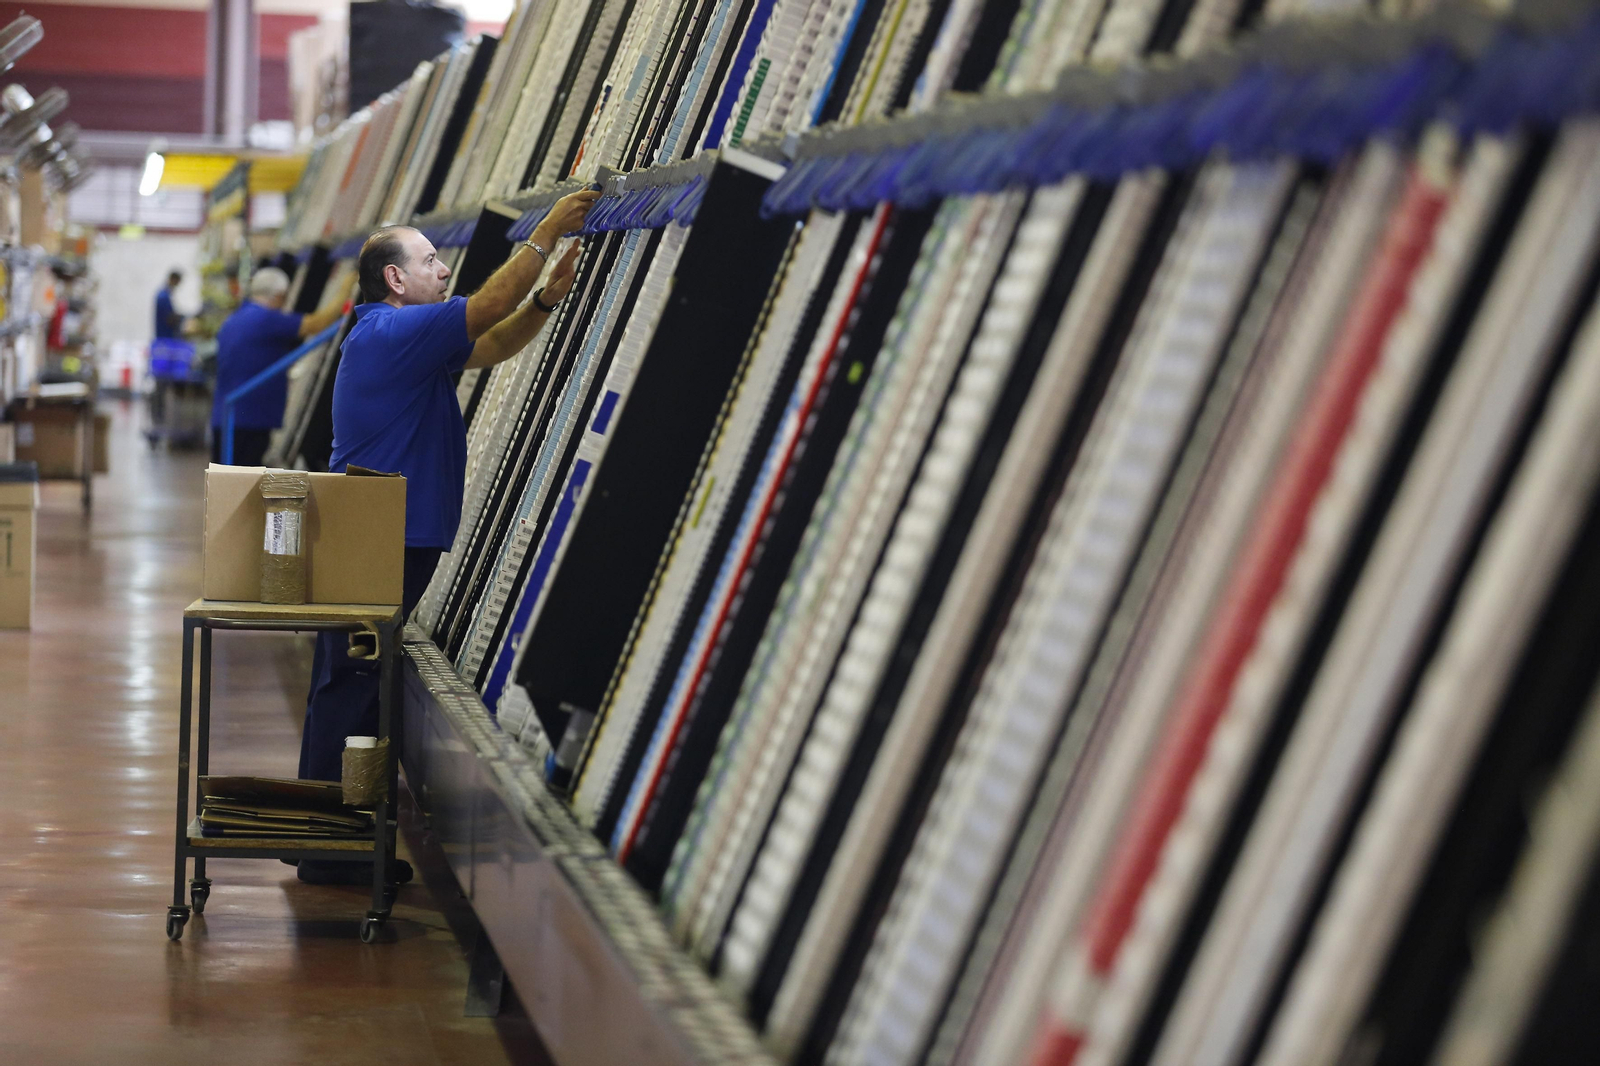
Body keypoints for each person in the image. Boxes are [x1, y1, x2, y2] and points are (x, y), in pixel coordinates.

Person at [294, 187, 600, 885]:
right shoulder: (389, 332)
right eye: (431, 261)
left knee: (356, 684)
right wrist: (547, 229)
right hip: (378, 535)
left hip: (389, 533)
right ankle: (328, 846)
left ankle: (331, 840)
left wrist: (546, 303)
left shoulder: (406, 345)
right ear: (395, 280)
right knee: (353, 687)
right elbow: (487, 307)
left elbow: (490, 343)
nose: (444, 271)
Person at [210, 267, 353, 466]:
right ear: (278, 295)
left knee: (226, 483)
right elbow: (317, 323)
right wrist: (347, 287)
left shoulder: (236, 319)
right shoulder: (265, 319)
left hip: (229, 416)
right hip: (249, 419)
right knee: (243, 484)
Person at [154, 270, 184, 340]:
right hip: (165, 336)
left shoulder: (165, 295)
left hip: (166, 335)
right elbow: (169, 318)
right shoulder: (163, 296)